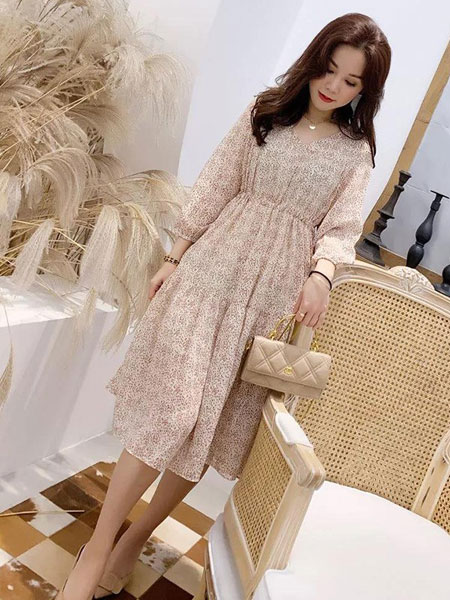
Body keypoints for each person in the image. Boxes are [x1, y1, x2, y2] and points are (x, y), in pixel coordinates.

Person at [57, 11, 391, 600]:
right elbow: (217, 182)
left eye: (351, 81)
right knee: (173, 409)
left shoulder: (355, 151)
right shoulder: (266, 112)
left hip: (272, 296)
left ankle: (136, 539)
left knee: (207, 430)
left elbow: (341, 228)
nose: (333, 86)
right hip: (212, 269)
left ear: (366, 90)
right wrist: (175, 254)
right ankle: (99, 547)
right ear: (315, 59)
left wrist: (322, 273)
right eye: (330, 69)